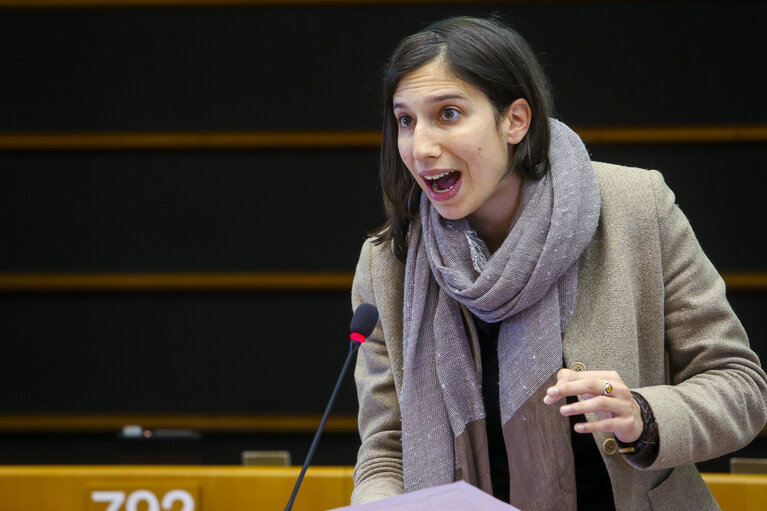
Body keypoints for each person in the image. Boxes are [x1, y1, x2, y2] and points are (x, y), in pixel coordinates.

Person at [350, 16, 767, 511]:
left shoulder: (636, 208)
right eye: (406, 120)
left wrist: (643, 416)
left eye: (448, 114)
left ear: (515, 120)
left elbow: (740, 386)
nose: (421, 148)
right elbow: (385, 448)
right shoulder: (388, 264)